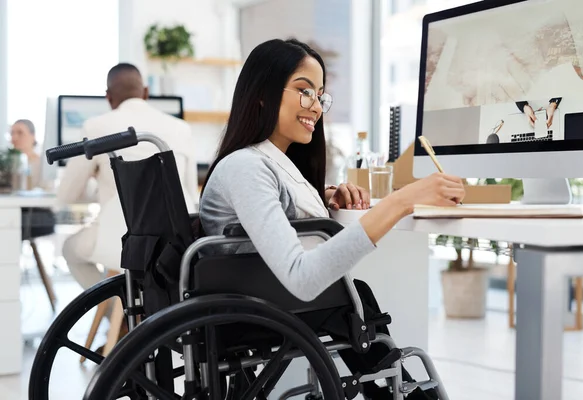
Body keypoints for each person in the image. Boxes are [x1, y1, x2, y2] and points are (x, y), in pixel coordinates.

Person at [200, 38, 465, 400]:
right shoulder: (246, 166)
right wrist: (402, 201)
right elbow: (303, 278)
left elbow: (271, 214)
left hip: (263, 297)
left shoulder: (263, 163)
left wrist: (319, 198)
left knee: (358, 301)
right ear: (262, 93)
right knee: (355, 304)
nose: (316, 106)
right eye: (303, 91)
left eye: (320, 95)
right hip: (259, 307)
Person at [57, 63, 198, 290]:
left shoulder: (95, 127)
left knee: (70, 249)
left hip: (120, 243)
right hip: (173, 247)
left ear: (109, 97)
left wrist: (98, 183)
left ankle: (117, 312)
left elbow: (66, 195)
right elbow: (190, 194)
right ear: (146, 93)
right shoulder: (182, 128)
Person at [10, 119, 48, 190]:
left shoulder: (44, 164)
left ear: (33, 136)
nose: (14, 138)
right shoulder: (8, 166)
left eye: (20, 133)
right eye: (12, 133)